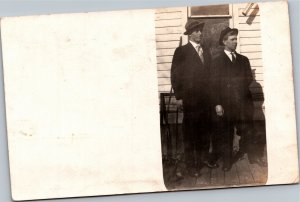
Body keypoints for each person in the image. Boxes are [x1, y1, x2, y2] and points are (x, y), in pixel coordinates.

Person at [171, 19, 215, 178]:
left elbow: (210, 76)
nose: (200, 33)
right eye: (196, 31)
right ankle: (191, 165)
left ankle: (203, 160)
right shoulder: (181, 51)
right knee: (191, 134)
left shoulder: (206, 50)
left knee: (205, 132)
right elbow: (175, 75)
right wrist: (179, 97)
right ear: (189, 33)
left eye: (200, 30)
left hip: (206, 101)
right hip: (190, 100)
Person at [210, 27, 253, 171]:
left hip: (242, 102)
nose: (236, 42)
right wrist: (217, 104)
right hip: (225, 104)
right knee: (226, 133)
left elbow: (248, 79)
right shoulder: (216, 61)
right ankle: (227, 161)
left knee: (246, 130)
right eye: (232, 39)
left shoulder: (243, 60)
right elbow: (214, 84)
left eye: (236, 39)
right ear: (224, 41)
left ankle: (252, 156)